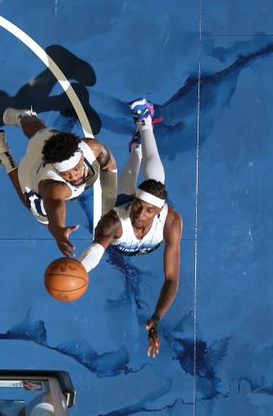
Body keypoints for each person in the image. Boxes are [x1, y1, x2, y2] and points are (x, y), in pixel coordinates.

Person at [77, 99, 182, 358]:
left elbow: (171, 279)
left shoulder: (170, 222)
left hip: (144, 243)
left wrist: (156, 317)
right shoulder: (116, 218)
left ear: (159, 210)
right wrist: (79, 269)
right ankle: (140, 136)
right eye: (139, 206)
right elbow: (97, 248)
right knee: (132, 177)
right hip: (121, 219)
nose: (140, 214)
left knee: (147, 172)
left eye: (149, 210)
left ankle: (140, 135)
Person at [0, 108, 118, 257]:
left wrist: (111, 203)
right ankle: (4, 154)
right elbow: (54, 206)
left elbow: (109, 167)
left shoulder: (94, 148)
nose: (73, 176)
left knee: (40, 132)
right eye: (66, 173)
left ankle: (23, 116)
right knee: (38, 213)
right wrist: (57, 230)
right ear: (57, 170)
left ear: (82, 154)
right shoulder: (53, 187)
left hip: (45, 144)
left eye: (77, 168)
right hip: (31, 173)